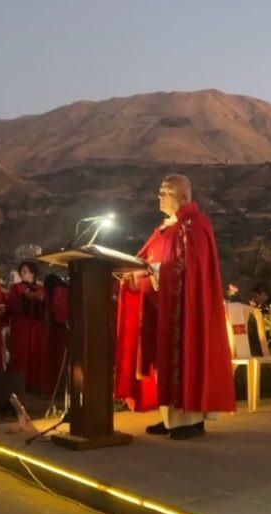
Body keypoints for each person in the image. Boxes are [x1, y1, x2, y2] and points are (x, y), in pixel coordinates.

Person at [114, 173, 235, 440]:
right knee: (163, 363)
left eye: (165, 191)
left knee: (185, 358)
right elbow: (148, 261)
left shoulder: (194, 225)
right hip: (160, 308)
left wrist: (152, 272)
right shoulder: (165, 228)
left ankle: (191, 420)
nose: (159, 196)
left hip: (185, 310)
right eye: (160, 191)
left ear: (183, 196)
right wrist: (134, 273)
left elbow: (190, 269)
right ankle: (170, 417)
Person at [9, 261, 48, 392]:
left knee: (36, 352)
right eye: (21, 271)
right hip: (22, 325)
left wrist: (40, 300)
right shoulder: (16, 288)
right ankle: (20, 383)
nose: (22, 273)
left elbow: (45, 308)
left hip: (36, 326)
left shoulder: (40, 288)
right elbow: (12, 305)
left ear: (33, 273)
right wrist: (24, 298)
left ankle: (36, 383)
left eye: (25, 271)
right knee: (22, 353)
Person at [43, 273, 69, 397]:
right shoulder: (63, 289)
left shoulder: (58, 290)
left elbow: (58, 310)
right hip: (61, 327)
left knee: (58, 359)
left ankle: (58, 388)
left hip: (59, 329)